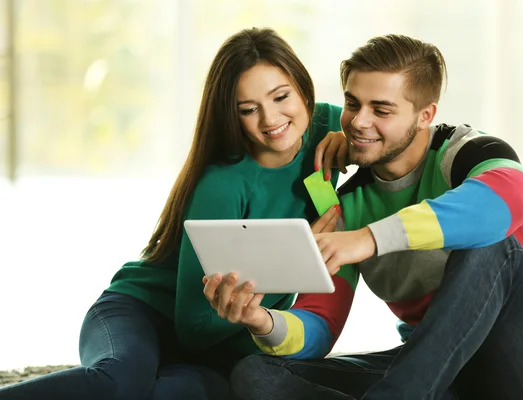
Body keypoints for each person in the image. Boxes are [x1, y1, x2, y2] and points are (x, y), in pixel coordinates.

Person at [0, 27, 358, 400]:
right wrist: (290, 260)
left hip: (225, 349)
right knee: (120, 383)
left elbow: (400, 137)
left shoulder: (329, 125)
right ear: (232, 115)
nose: (271, 119)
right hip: (145, 315)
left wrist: (350, 141)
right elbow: (193, 328)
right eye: (248, 109)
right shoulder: (224, 184)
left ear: (303, 87)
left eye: (281, 96)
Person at [230, 34, 523, 400]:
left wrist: (369, 239)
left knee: (487, 242)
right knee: (258, 374)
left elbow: (512, 193)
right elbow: (320, 323)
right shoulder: (348, 208)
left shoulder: (466, 155)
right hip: (440, 375)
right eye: (353, 104)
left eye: (381, 110)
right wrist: (263, 321)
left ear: (425, 116)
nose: (358, 122)